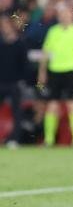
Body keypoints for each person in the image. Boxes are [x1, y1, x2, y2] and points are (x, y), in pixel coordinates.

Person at [37, 3, 73, 147]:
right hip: (55, 71)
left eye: (67, 14)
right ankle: (49, 140)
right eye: (62, 15)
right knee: (52, 105)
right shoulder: (53, 31)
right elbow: (45, 53)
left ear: (72, 16)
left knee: (72, 104)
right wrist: (42, 72)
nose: (65, 17)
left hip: (72, 71)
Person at [0, 16, 28, 148]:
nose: (4, 28)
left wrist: (22, 81)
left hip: (15, 83)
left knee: (17, 112)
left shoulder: (20, 44)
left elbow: (25, 65)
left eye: (6, 25)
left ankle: (15, 139)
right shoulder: (1, 44)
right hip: (1, 82)